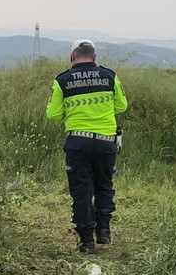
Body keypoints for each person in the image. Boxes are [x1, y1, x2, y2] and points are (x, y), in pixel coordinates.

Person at [46, 40, 128, 252]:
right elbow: (122, 105)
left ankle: (87, 241)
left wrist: (71, 112)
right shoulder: (110, 76)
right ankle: (103, 231)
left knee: (81, 191)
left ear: (72, 56)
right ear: (95, 56)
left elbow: (53, 114)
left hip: (78, 142)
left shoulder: (62, 80)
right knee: (104, 185)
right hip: (106, 142)